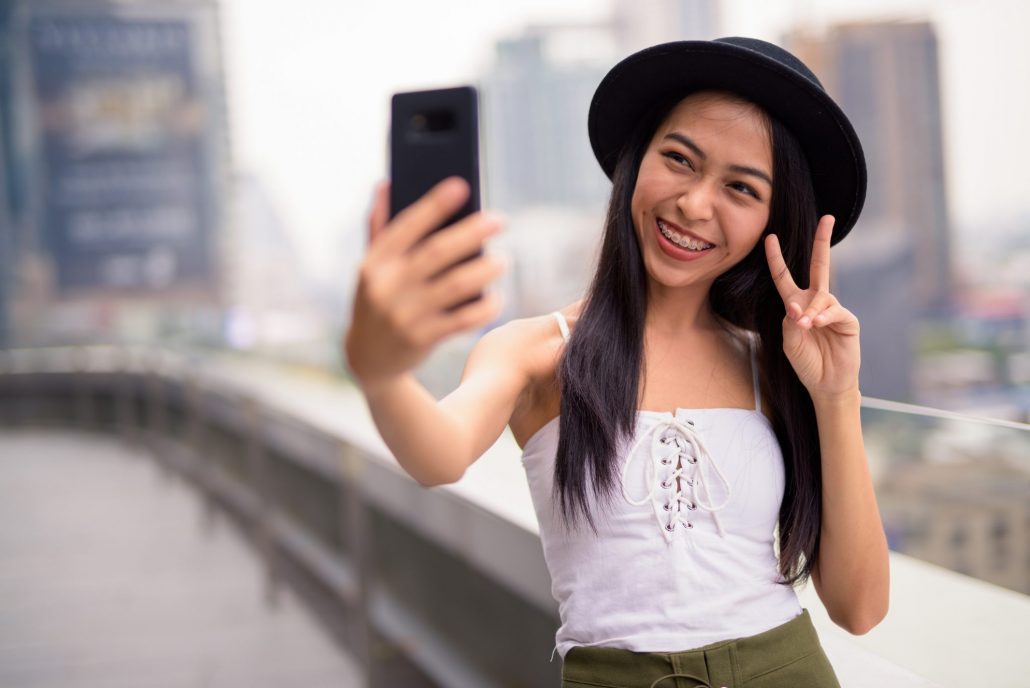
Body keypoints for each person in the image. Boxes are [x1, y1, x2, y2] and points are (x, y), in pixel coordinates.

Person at [345, 36, 889, 688]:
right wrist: (379, 370)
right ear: (635, 163)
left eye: (740, 188)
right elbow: (438, 455)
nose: (694, 204)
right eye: (679, 159)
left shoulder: (774, 365)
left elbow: (859, 609)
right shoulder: (539, 351)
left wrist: (836, 395)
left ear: (774, 222)